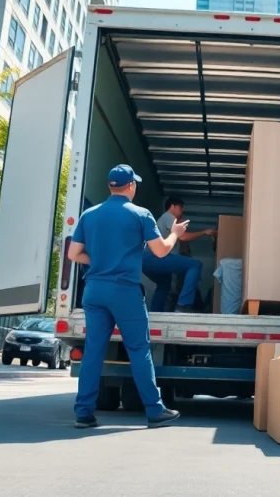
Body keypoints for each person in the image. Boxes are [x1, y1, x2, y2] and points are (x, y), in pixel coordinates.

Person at [67, 164, 185, 430]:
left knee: (94, 352)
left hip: (94, 290)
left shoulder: (89, 214)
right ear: (130, 186)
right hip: (124, 291)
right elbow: (161, 252)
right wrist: (175, 234)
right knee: (138, 350)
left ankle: (84, 414)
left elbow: (74, 254)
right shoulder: (140, 215)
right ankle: (155, 411)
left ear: (111, 186)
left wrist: (97, 260)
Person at [142, 197, 216, 313]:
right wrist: (204, 232)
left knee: (164, 285)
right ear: (172, 206)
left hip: (146, 260)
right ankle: (183, 305)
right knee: (195, 265)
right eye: (181, 208)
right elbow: (183, 236)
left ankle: (155, 312)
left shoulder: (163, 220)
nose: (182, 211)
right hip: (156, 257)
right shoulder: (169, 216)